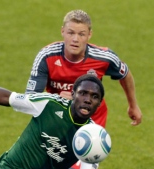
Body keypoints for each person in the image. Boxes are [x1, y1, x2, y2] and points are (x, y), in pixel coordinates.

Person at [25, 9, 142, 169]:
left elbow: (125, 75)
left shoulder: (103, 57)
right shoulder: (47, 56)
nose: (75, 39)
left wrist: (133, 105)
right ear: (62, 32)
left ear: (89, 35)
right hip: (57, 121)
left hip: (91, 124)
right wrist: (57, 99)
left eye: (81, 34)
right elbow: (30, 98)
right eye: (71, 32)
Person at [0, 64, 104, 169]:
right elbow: (7, 98)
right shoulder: (50, 104)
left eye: (94, 97)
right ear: (73, 94)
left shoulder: (93, 136)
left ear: (99, 102)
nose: (87, 100)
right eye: (83, 93)